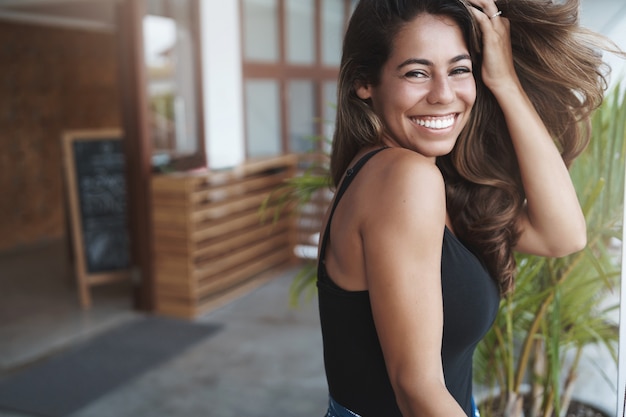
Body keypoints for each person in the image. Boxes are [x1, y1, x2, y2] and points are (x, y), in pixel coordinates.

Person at [316, 0, 618, 416]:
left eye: (460, 70)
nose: (443, 95)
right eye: (417, 73)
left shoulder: (427, 176)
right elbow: (416, 389)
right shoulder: (401, 177)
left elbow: (563, 234)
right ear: (365, 82)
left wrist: (506, 80)